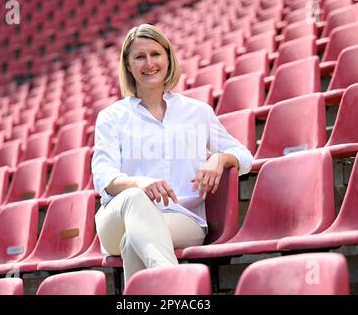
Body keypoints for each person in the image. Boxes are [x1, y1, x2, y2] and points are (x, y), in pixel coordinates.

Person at [92, 24, 253, 284]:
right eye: (139, 57)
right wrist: (139, 183)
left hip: (182, 218)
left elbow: (244, 156)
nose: (149, 63)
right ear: (128, 65)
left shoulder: (198, 112)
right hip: (117, 218)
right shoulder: (111, 117)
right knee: (134, 201)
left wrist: (219, 159)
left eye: (155, 54)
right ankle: (175, 287)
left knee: (134, 242)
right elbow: (104, 177)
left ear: (168, 58)